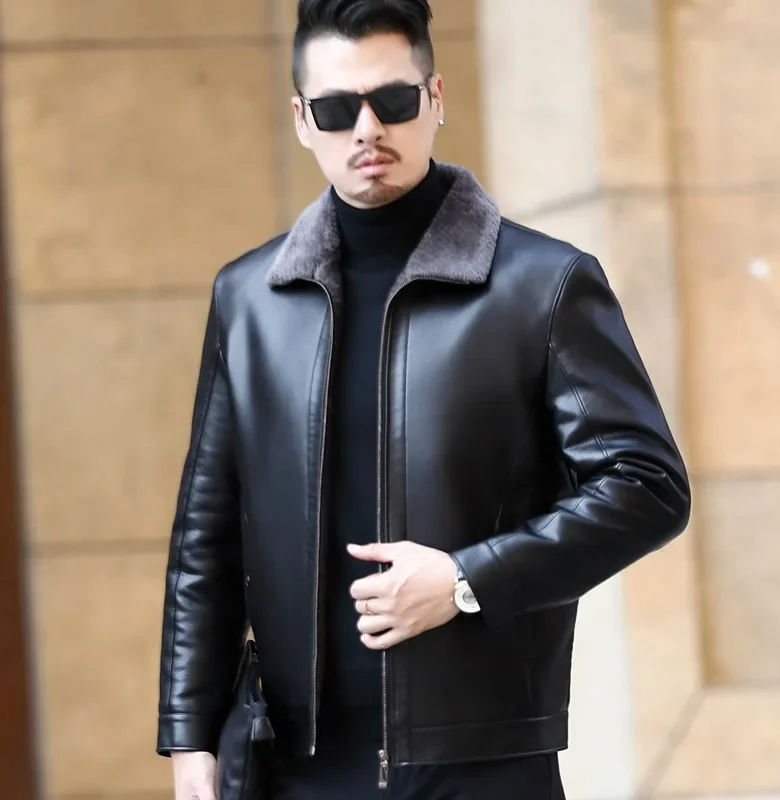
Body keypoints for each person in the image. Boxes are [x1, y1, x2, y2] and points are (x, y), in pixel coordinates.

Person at [156, 1, 691, 798]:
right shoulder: (250, 299)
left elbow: (647, 486)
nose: (367, 129)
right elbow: (208, 534)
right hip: (292, 764)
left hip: (479, 765)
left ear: (436, 99)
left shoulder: (541, 286)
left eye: (394, 100)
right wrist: (190, 736)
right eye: (337, 110)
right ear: (301, 120)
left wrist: (467, 580)